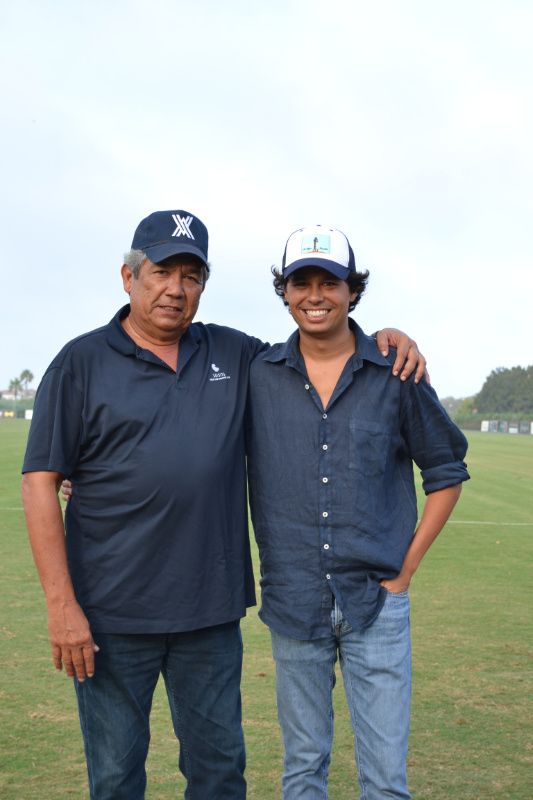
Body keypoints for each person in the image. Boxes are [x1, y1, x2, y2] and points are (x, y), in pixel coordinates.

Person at [22, 209, 425, 800]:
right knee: (114, 778)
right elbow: (39, 482)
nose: (175, 289)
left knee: (217, 777)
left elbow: (318, 349)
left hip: (208, 616)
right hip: (109, 615)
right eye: (162, 271)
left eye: (192, 275)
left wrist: (388, 339)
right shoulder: (80, 362)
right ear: (129, 277)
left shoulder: (236, 356)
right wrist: (62, 607)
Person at [245, 224, 470, 800]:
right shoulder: (258, 376)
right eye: (301, 282)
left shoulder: (396, 371)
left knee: (386, 781)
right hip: (294, 601)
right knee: (302, 771)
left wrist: (406, 573)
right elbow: (190, 439)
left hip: (378, 604)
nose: (314, 295)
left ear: (352, 291)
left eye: (330, 282)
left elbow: (445, 473)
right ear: (285, 290)